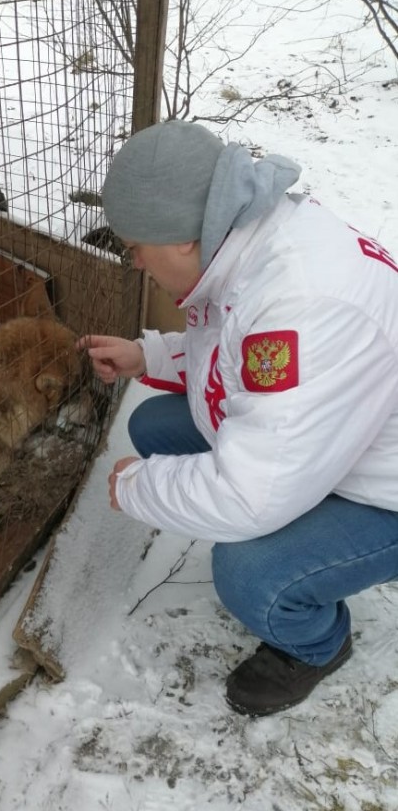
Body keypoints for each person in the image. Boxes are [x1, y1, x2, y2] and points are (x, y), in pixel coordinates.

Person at [78, 120, 398, 717]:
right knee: (153, 429)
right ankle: (313, 540)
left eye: (136, 248)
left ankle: (319, 644)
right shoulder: (245, 241)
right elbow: (233, 350)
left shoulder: (299, 304)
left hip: (385, 491)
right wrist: (145, 355)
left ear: (178, 239)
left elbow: (254, 497)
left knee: (248, 571)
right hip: (341, 441)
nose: (137, 263)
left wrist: (135, 487)